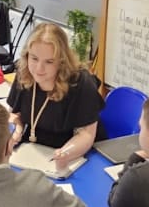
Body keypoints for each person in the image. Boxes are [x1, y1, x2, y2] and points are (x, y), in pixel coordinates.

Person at [7, 22, 104, 173]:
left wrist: (65, 153)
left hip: (75, 155)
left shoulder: (81, 83)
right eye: (34, 58)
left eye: (49, 62)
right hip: (32, 151)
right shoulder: (24, 72)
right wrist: (17, 130)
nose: (39, 69)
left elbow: (86, 134)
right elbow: (14, 114)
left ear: (62, 61)